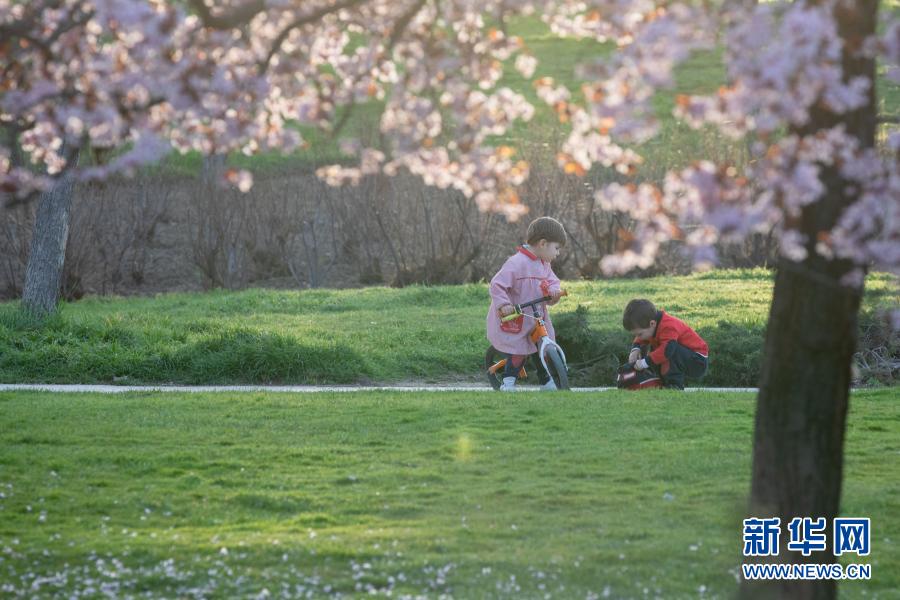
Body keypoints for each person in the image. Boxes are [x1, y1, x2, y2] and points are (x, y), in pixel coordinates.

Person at [487, 216, 566, 392]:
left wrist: (554, 292)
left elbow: (553, 282)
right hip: (517, 317)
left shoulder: (544, 265)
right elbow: (497, 285)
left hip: (536, 316)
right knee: (519, 350)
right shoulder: (516, 263)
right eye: (557, 248)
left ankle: (546, 381)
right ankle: (508, 382)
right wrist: (503, 304)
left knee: (542, 346)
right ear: (543, 243)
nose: (557, 253)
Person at [622, 298, 709, 390]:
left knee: (668, 349)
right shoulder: (652, 326)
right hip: (683, 354)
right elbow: (643, 338)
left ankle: (674, 386)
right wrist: (636, 349)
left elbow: (667, 350)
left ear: (652, 323)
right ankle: (657, 381)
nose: (638, 337)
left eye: (639, 334)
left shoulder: (668, 326)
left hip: (697, 361)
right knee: (655, 347)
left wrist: (644, 362)